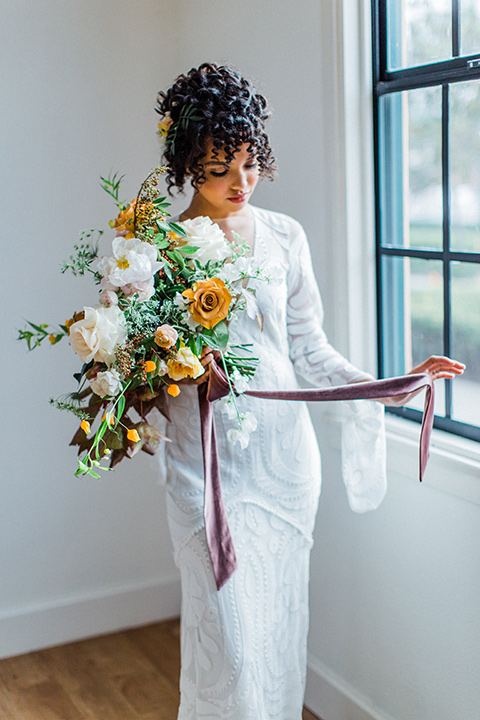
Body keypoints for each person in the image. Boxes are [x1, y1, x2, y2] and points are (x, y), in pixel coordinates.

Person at [155, 63, 464, 720]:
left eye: (248, 162)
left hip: (284, 468)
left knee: (274, 641)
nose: (240, 182)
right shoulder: (153, 247)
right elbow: (133, 382)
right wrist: (178, 369)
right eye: (218, 166)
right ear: (187, 162)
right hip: (201, 470)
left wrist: (393, 384)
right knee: (228, 651)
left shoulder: (286, 237)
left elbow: (310, 353)